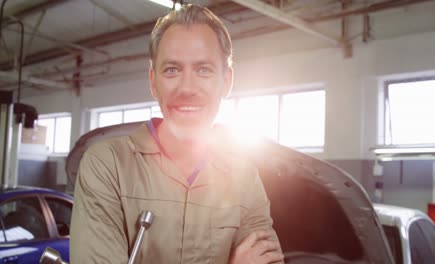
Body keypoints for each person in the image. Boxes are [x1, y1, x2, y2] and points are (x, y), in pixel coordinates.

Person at [70, 4, 283, 264]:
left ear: (226, 81)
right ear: (153, 82)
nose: (187, 88)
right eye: (172, 69)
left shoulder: (245, 178)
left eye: (204, 69)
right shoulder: (107, 165)